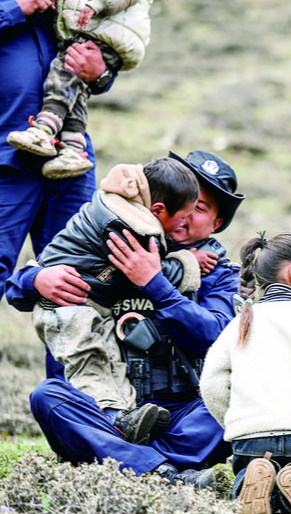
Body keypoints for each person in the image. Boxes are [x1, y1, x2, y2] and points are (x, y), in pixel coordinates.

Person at [13, 149, 244, 488]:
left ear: (217, 224)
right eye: (187, 202)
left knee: (232, 398)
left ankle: (136, 464)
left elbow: (214, 337)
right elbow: (23, 287)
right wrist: (35, 280)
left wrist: (154, 283)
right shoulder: (118, 233)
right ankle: (164, 472)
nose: (188, 215)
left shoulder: (219, 274)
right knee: (47, 397)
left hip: (183, 412)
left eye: (201, 208)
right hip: (110, 409)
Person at [26, 157, 207, 443]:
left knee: (110, 360)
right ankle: (112, 419)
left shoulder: (120, 200)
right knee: (90, 361)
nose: (184, 224)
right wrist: (187, 263)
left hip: (84, 302)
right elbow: (140, 273)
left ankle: (123, 418)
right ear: (158, 210)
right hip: (65, 306)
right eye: (183, 217)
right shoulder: (133, 228)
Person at [201, 231, 291, 514]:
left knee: (249, 473)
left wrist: (237, 421)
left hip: (251, 438)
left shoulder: (240, 322)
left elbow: (211, 382)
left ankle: (248, 487)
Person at [1, 0, 115, 305]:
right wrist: (15, 8)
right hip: (5, 157)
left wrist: (100, 73)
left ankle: (67, 353)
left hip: (70, 163)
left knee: (75, 275)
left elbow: (107, 48)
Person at [6, 0, 150, 178]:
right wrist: (15, 9)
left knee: (65, 70)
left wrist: (101, 74)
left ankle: (45, 130)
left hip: (70, 179)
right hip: (11, 158)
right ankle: (73, 150)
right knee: (71, 80)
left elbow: (100, 80)